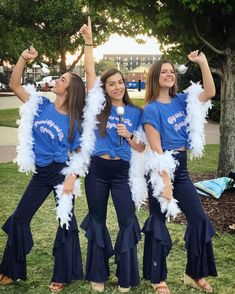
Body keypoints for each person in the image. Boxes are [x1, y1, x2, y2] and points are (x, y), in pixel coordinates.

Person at [0, 47, 85, 292]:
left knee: (65, 221)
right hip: (41, 173)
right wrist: (22, 59)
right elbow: (15, 85)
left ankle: (62, 275)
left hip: (61, 173)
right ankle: (9, 270)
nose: (58, 81)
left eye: (63, 80)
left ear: (71, 90)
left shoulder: (75, 121)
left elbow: (82, 154)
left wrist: (72, 177)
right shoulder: (40, 105)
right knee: (19, 218)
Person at [141, 52, 217, 293]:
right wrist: (165, 182)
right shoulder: (150, 110)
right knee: (158, 222)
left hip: (181, 168)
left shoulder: (182, 100)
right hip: (160, 167)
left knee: (199, 219)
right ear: (155, 77)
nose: (169, 74)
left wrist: (203, 63)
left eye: (171, 71)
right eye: (163, 71)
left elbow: (210, 93)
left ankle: (195, 272)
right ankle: (157, 277)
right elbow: (155, 148)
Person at [79, 17, 145, 293]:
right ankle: (98, 273)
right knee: (96, 219)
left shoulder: (136, 113)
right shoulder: (97, 109)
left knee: (127, 220)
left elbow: (142, 148)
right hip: (97, 170)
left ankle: (126, 275)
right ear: (105, 89)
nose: (117, 87)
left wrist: (128, 135)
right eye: (111, 84)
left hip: (121, 173)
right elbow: (91, 73)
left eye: (120, 83)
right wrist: (89, 44)